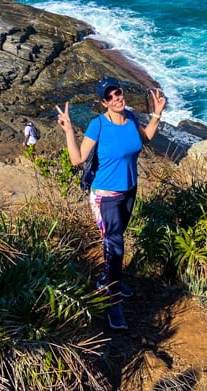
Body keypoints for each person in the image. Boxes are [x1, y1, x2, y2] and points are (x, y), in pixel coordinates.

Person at [56, 77, 166, 330]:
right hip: (105, 196)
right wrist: (69, 130)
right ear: (103, 102)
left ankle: (108, 279)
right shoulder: (98, 125)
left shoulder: (130, 117)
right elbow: (78, 159)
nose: (116, 98)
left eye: (118, 93)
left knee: (115, 242)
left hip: (129, 191)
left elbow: (145, 139)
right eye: (110, 97)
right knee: (115, 247)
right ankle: (112, 301)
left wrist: (157, 114)